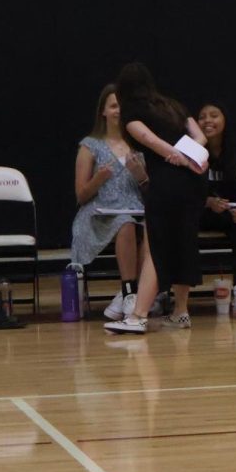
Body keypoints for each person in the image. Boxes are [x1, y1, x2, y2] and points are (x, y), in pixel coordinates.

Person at [104, 63, 207, 334]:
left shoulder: (133, 112)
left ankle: (138, 316)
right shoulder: (173, 105)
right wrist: (192, 156)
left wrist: (178, 157)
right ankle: (181, 312)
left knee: (156, 248)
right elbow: (200, 136)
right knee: (184, 242)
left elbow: (149, 139)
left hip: (167, 183)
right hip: (194, 184)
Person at [71, 84, 148, 320]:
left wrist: (140, 176)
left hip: (135, 208)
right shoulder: (90, 145)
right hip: (99, 214)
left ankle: (142, 294)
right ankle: (129, 291)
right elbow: (81, 195)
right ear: (103, 111)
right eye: (114, 106)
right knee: (125, 223)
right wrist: (98, 179)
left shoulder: (139, 145)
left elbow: (149, 190)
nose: (118, 111)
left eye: (122, 106)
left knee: (149, 227)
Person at [198, 103, 236, 321]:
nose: (207, 121)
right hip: (199, 213)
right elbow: (186, 192)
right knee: (178, 225)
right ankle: (165, 293)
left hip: (228, 213)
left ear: (225, 120)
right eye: (202, 117)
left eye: (214, 115)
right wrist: (208, 201)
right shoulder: (193, 151)